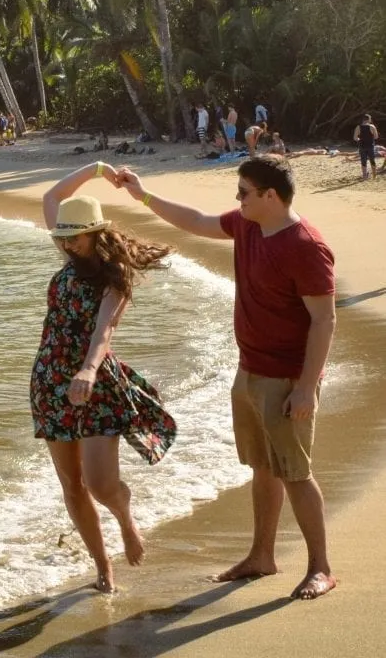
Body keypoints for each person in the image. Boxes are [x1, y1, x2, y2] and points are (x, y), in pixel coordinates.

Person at [114, 155, 336, 600]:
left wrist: (307, 387)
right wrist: (141, 194)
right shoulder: (249, 224)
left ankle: (320, 568)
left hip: (287, 379)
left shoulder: (305, 246)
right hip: (249, 369)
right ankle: (261, 556)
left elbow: (324, 321)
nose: (237, 199)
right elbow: (195, 220)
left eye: (244, 192)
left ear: (270, 196)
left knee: (295, 472)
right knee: (262, 468)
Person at [31, 161, 176, 593]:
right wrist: (94, 169)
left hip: (94, 383)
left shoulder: (116, 277)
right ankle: (102, 568)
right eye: (62, 236)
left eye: (73, 236)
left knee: (99, 484)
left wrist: (89, 371)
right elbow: (50, 198)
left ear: (94, 234)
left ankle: (124, 515)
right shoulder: (68, 250)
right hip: (50, 380)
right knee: (72, 487)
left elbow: (104, 330)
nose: (66, 243)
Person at [353, 113, 378, 181]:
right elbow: (376, 137)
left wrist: (360, 139)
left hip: (362, 146)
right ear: (369, 119)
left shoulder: (358, 127)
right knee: (372, 160)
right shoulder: (372, 126)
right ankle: (374, 176)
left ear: (363, 119)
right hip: (370, 146)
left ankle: (364, 176)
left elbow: (355, 138)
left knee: (363, 161)